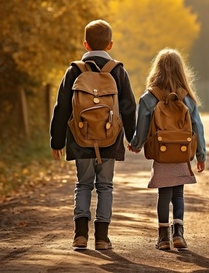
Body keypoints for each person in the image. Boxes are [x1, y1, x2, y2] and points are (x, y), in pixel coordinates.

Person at [50, 19, 136, 250]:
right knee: (105, 185)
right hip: (110, 138)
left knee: (83, 184)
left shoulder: (74, 71)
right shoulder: (118, 71)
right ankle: (102, 238)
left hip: (80, 138)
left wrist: (56, 140)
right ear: (110, 45)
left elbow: (61, 108)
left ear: (86, 44)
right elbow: (128, 107)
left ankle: (80, 236)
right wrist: (133, 137)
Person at [128, 48, 206, 251]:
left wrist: (136, 144)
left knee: (164, 194)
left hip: (162, 153)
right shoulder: (187, 98)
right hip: (181, 152)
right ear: (181, 71)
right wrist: (201, 154)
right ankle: (178, 234)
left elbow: (143, 126)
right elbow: (198, 126)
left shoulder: (149, 97)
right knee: (178, 194)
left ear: (157, 70)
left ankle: (163, 238)